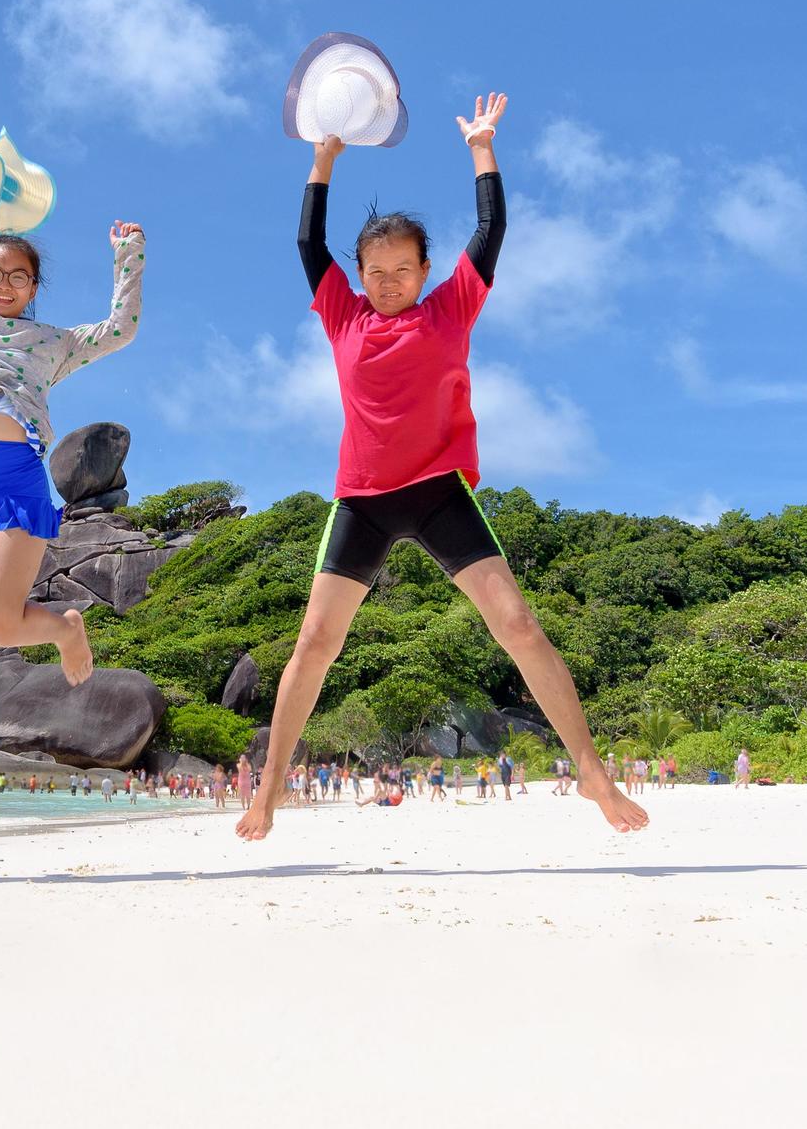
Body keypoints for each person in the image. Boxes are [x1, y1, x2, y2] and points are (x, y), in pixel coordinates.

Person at [237, 95, 646, 842]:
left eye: (402, 268)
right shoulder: (343, 314)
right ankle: (267, 792)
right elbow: (306, 244)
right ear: (357, 273)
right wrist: (321, 164)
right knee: (314, 644)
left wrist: (481, 150)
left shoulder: (450, 308)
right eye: (375, 270)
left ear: (426, 269)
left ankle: (588, 767)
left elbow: (492, 230)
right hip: (362, 499)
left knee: (517, 624)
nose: (388, 280)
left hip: (437, 491)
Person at [0, 146, 145, 695]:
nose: (4, 284)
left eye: (19, 277)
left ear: (34, 287)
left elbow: (120, 330)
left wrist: (128, 256)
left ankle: (68, 629)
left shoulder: (53, 343)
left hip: (15, 478)